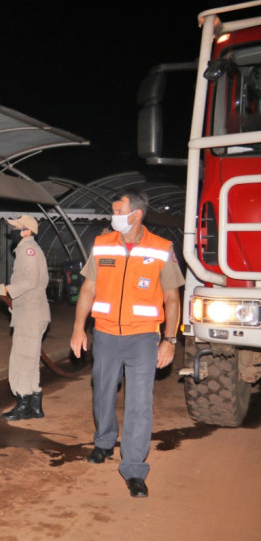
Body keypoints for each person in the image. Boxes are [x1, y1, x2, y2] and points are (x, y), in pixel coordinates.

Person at [70, 189, 184, 498]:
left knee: (139, 404)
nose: (113, 215)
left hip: (144, 337)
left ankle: (134, 468)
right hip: (105, 334)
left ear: (136, 215)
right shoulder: (102, 244)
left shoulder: (162, 248)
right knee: (103, 394)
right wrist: (79, 328)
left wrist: (169, 339)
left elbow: (173, 298)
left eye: (118, 210)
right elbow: (88, 290)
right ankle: (104, 443)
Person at [0, 215, 50, 421]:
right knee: (30, 360)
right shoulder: (27, 249)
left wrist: (5, 289)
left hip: (30, 315)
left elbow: (30, 281)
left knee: (21, 361)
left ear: (26, 231)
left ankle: (22, 405)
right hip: (31, 312)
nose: (12, 231)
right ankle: (35, 406)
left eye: (16, 227)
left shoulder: (27, 250)